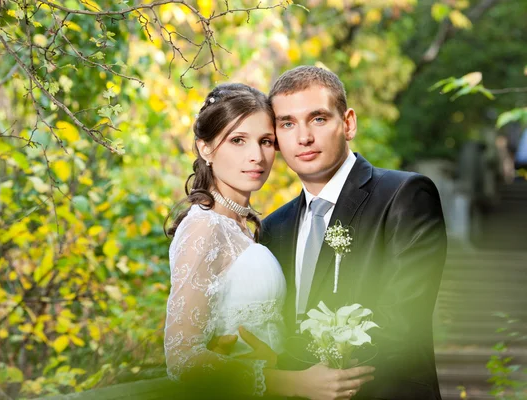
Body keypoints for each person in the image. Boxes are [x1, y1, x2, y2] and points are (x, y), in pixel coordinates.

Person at [164, 83, 375, 400]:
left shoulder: (243, 228)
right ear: (205, 148)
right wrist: (294, 383)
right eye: (238, 140)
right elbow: (180, 357)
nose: (256, 156)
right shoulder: (204, 227)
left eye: (265, 141)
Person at [258, 66, 447, 399]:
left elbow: (403, 320)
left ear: (348, 123)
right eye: (287, 123)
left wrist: (323, 370)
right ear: (276, 139)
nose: (303, 137)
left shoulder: (405, 195)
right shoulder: (274, 227)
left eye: (318, 119)